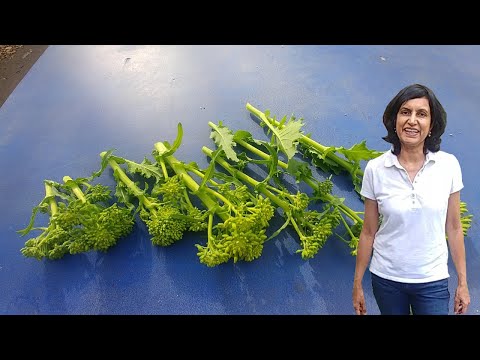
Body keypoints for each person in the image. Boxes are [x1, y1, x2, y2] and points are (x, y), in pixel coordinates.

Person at [352, 83, 470, 315]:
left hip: (432, 280)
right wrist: (357, 284)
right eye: (405, 112)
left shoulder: (448, 165)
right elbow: (368, 232)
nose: (412, 120)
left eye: (422, 114)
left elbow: (454, 227)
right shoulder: (376, 169)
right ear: (394, 120)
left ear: (431, 124)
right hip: (386, 279)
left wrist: (463, 283)